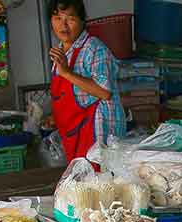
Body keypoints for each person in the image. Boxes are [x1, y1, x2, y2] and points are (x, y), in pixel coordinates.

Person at [47, 0, 125, 163]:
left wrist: (67, 73)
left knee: (101, 180)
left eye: (70, 19)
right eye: (57, 18)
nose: (63, 25)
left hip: (98, 128)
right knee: (82, 181)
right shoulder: (61, 50)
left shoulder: (94, 48)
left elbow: (104, 92)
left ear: (83, 21)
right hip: (75, 129)